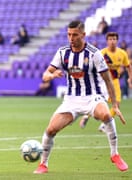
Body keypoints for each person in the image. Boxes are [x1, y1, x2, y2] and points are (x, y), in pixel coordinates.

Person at [33, 20, 128, 174]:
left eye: (75, 35)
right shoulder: (63, 52)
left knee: (105, 114)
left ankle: (115, 154)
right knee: (50, 130)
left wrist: (115, 105)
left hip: (93, 97)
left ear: (83, 35)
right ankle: (43, 164)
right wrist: (52, 75)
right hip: (71, 100)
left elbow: (108, 80)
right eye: (69, 34)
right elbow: (45, 75)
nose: (71, 38)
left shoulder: (94, 54)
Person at [79, 32, 132, 132]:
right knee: (97, 102)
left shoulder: (122, 53)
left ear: (117, 40)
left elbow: (128, 66)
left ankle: (104, 124)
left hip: (115, 81)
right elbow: (91, 65)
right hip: (103, 81)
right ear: (107, 41)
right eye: (110, 39)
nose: (112, 41)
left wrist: (130, 79)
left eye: (114, 39)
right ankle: (86, 116)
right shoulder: (102, 53)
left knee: (117, 104)